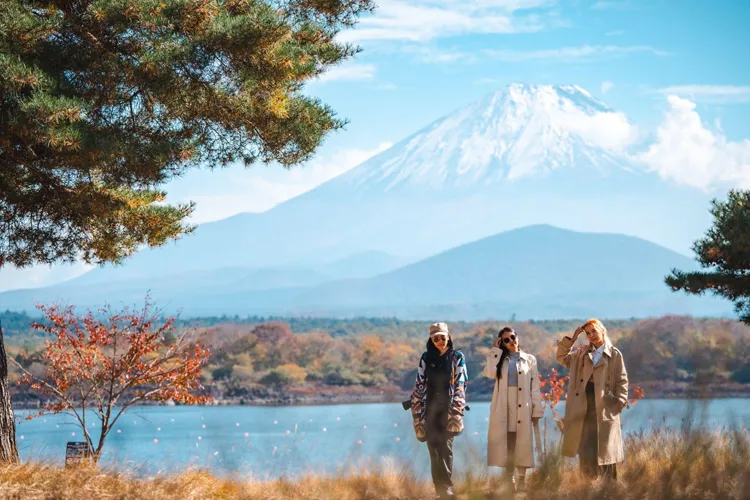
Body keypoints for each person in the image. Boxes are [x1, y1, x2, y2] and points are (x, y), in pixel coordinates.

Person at [556, 318, 628, 479]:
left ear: (602, 330)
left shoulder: (615, 354)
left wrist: (618, 404)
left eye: (593, 331)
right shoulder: (581, 353)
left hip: (605, 406)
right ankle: (587, 488)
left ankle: (610, 490)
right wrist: (572, 339)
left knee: (606, 449)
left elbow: (622, 381)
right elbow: (561, 357)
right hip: (583, 406)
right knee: (585, 447)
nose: (591, 335)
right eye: (587, 333)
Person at [410, 322, 468, 499]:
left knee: (446, 447)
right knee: (433, 448)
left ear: (448, 337)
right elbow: (419, 382)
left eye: (443, 337)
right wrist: (416, 405)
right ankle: (439, 489)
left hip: (449, 409)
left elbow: (461, 382)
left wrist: (457, 406)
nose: (440, 341)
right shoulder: (426, 358)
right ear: (431, 340)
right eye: (436, 338)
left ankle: (446, 487)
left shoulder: (457, 356)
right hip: (429, 408)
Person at [483, 327, 543, 492]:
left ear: (517, 336)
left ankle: (522, 480)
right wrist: (495, 351)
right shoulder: (500, 359)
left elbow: (535, 387)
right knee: (507, 443)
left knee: (522, 443)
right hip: (504, 405)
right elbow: (488, 373)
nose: (510, 341)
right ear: (502, 343)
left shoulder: (530, 359)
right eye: (506, 340)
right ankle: (509, 480)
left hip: (523, 406)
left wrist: (537, 410)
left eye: (512, 337)